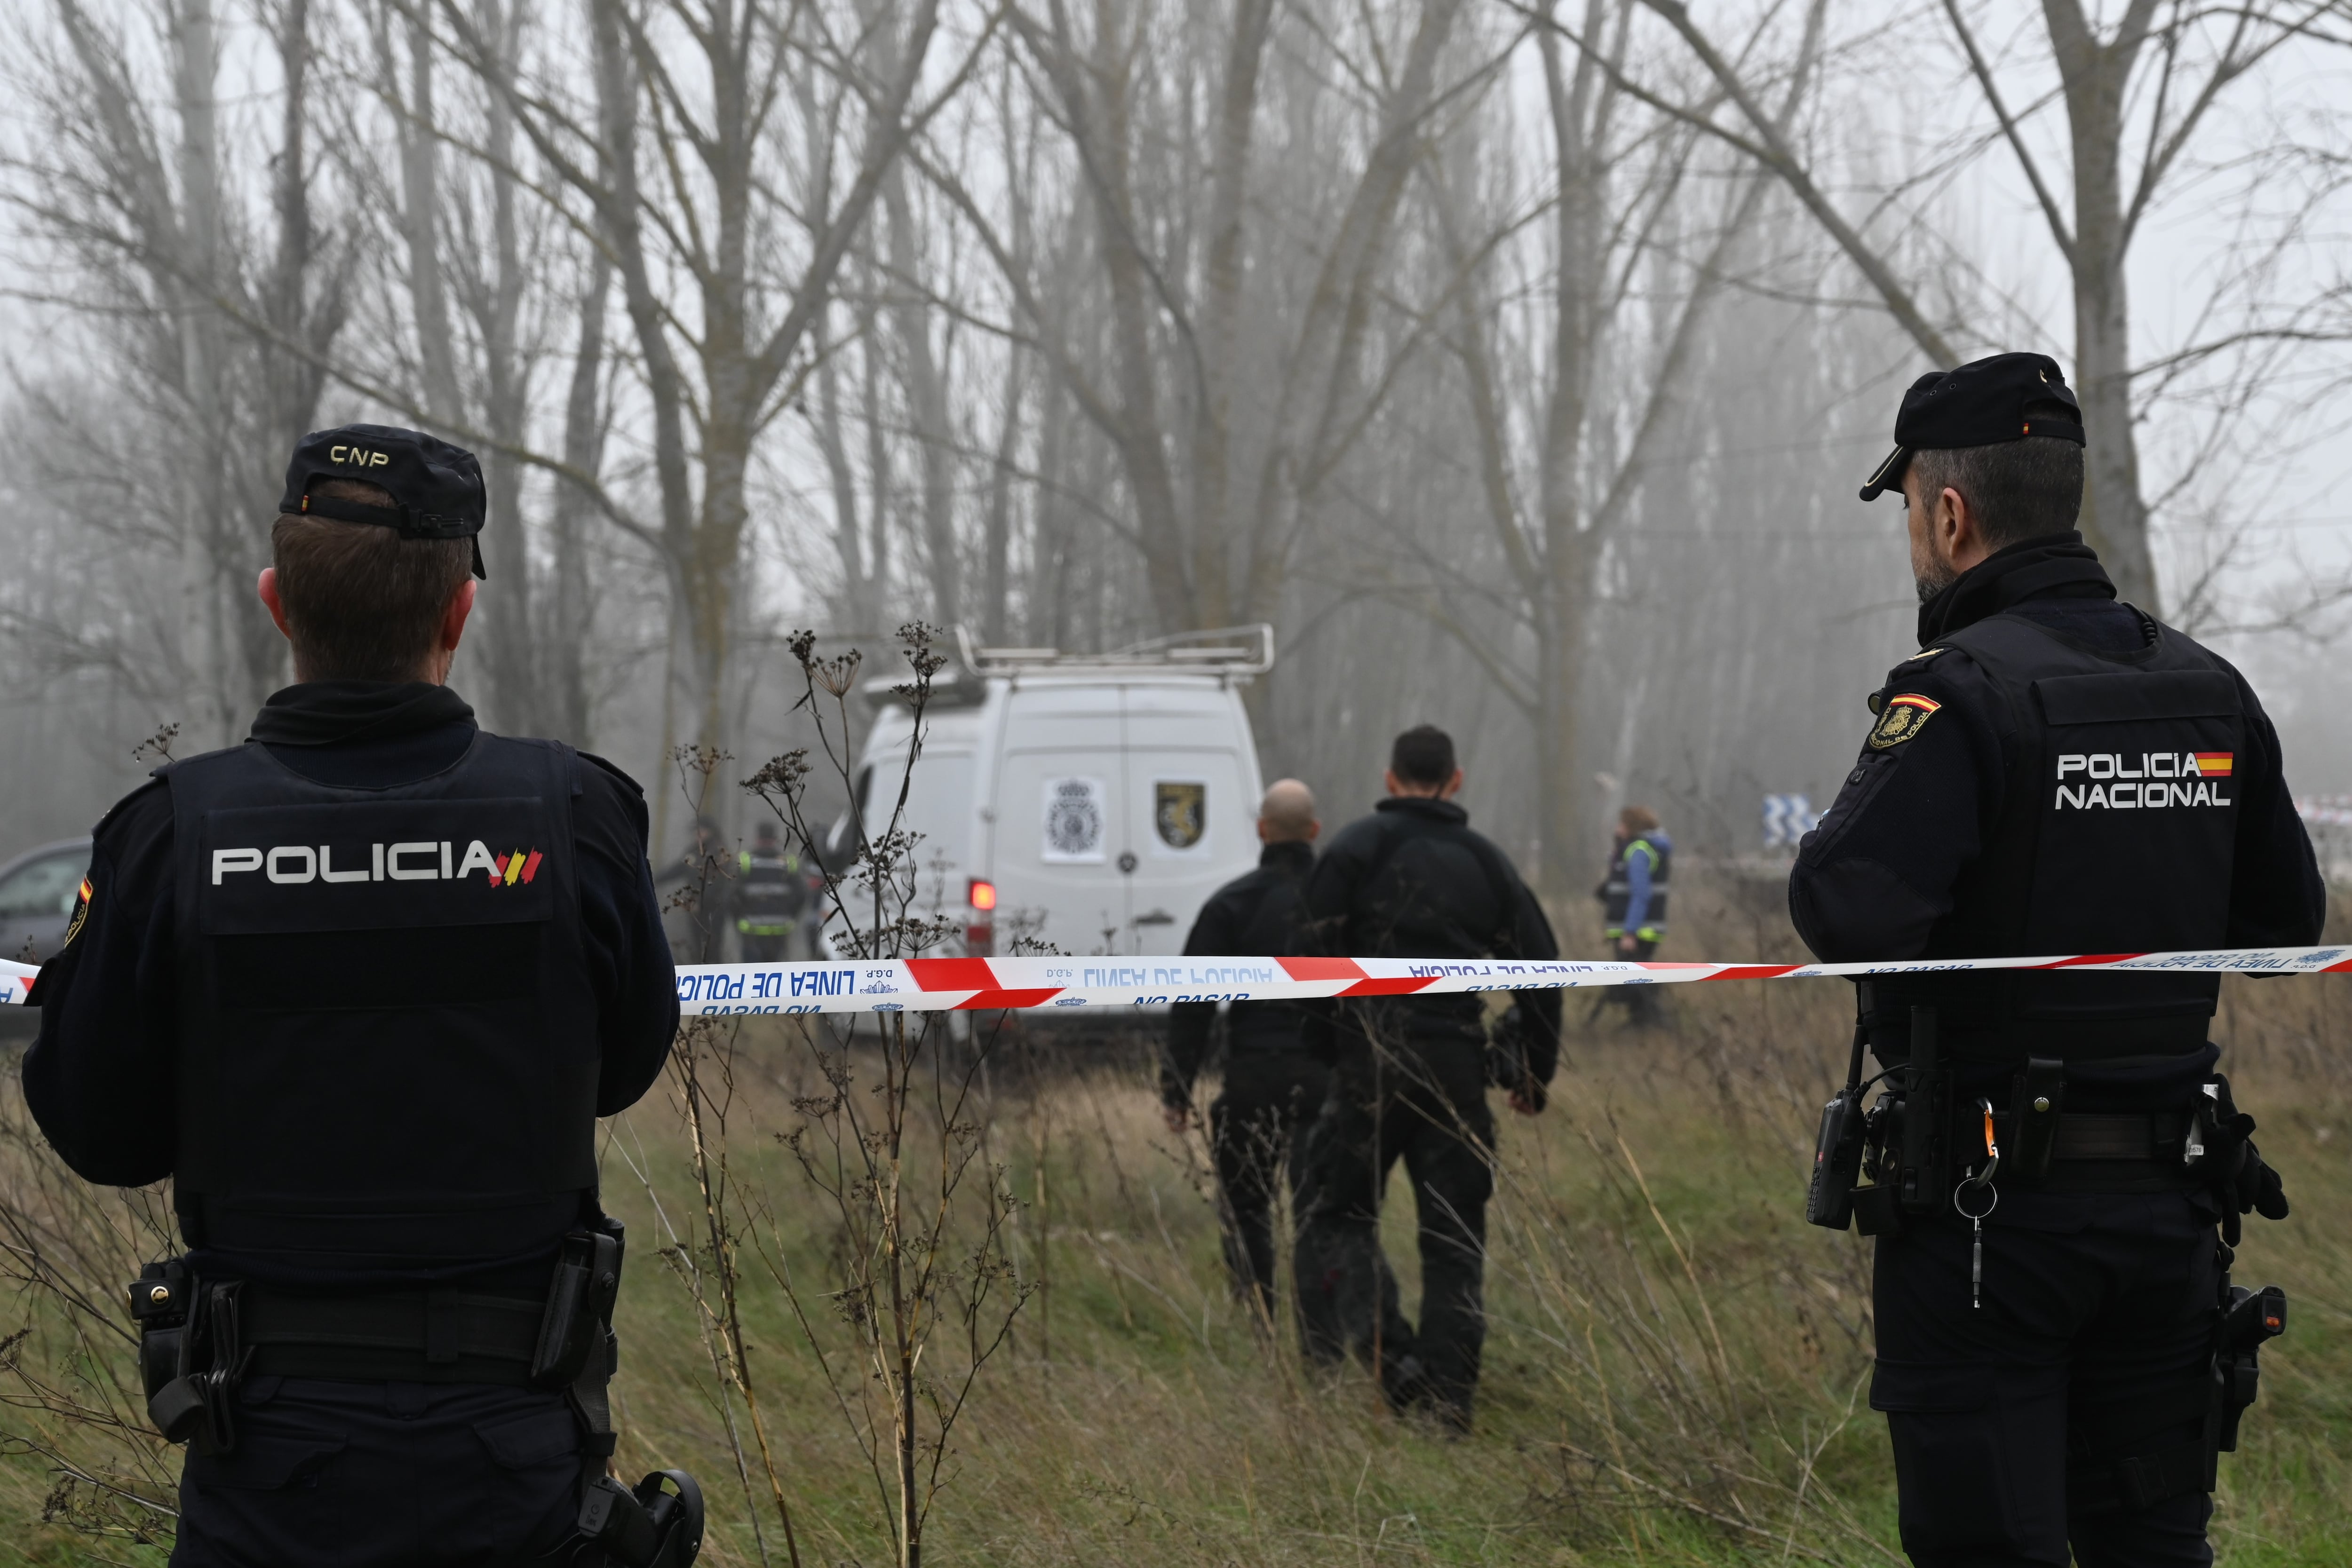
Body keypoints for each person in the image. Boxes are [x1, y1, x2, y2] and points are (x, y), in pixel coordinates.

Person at [23, 425, 695, 1567]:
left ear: (277, 602)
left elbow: (96, 1128)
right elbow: (625, 1064)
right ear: (459, 614)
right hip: (516, 1465)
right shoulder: (573, 816)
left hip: (269, 1468)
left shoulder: (172, 834)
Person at [1793, 353, 2321, 1568]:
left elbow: (1841, 906)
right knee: (2154, 1544)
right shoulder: (2208, 688)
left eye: (1913, 519)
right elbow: (2286, 919)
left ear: (1949, 513)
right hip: (2172, 1208)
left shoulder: (1959, 695)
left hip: (1992, 1215)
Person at [1293, 726, 1562, 1430]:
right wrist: (1531, 1071)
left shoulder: (1352, 850)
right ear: (1456, 778)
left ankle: (1395, 1361)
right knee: (1454, 1241)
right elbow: (1546, 971)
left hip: (1367, 1067)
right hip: (1455, 1072)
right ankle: (1450, 1405)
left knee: (1335, 1217)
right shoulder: (1488, 862)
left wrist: (1329, 1046)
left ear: (1390, 779)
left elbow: (1303, 960)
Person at [1159, 779, 1326, 1324]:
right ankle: (1321, 1338)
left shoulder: (1230, 904)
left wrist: (1176, 1088)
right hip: (1324, 1080)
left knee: (1246, 1207)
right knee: (1321, 1213)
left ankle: (1257, 1320)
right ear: (1314, 831)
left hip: (1252, 1078)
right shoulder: (1341, 901)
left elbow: (1192, 1003)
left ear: (1261, 830)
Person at [1592, 805, 1672, 1029]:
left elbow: (1640, 894)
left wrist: (1630, 932)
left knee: (1636, 980)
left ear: (1631, 826)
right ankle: (1641, 1023)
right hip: (1639, 927)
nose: (1618, 828)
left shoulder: (1638, 852)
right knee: (1635, 977)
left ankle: (1652, 1022)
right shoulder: (1634, 849)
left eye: (1622, 824)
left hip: (1638, 929)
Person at [734, 818, 810, 962]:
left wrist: (739, 918)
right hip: (779, 929)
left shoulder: (745, 861)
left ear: (758, 838)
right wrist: (791, 916)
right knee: (775, 977)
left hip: (751, 929)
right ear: (775, 839)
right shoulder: (788, 863)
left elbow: (732, 896)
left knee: (750, 976)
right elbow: (801, 894)